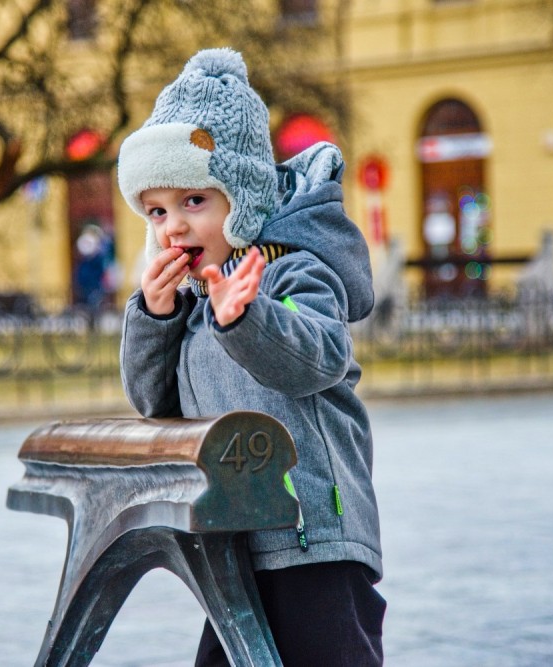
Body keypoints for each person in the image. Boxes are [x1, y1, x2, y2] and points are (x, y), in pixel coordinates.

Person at [117, 48, 385, 665]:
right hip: (233, 539)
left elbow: (317, 355)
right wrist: (155, 320)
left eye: (194, 202)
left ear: (242, 196)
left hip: (312, 533)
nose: (173, 228)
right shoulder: (188, 300)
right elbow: (153, 403)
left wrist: (248, 317)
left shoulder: (292, 268)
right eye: (157, 211)